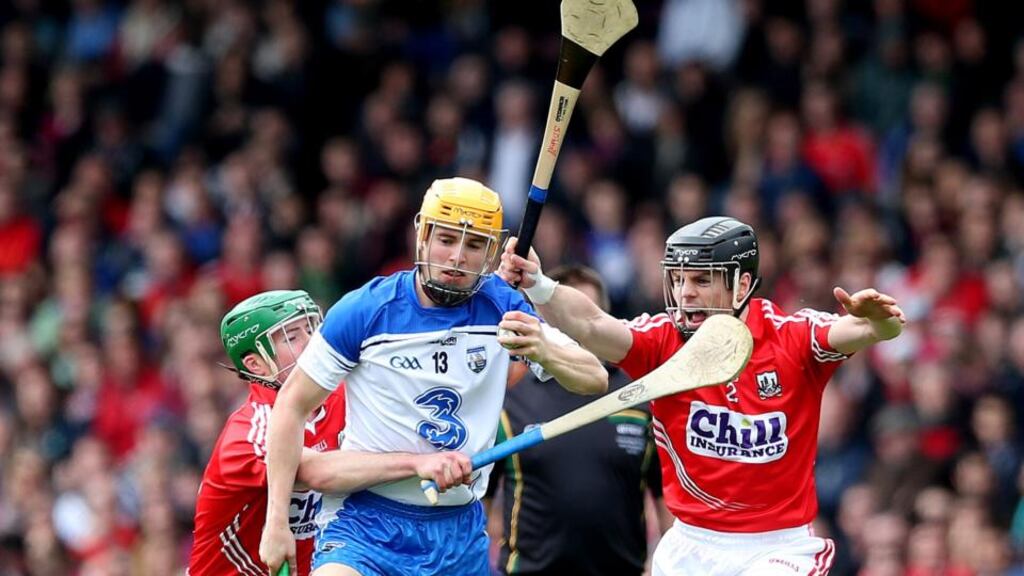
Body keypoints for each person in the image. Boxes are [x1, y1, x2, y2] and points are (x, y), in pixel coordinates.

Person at [498, 216, 906, 575]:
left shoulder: (792, 337)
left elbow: (867, 329)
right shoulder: (662, 340)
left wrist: (878, 321)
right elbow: (590, 324)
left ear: (741, 284)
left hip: (778, 549)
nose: (685, 293)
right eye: (678, 279)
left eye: (701, 280)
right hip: (690, 545)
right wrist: (539, 283)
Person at [259, 177, 608, 576]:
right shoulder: (365, 310)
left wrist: (544, 350)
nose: (457, 257)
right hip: (366, 524)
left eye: (474, 245)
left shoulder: (504, 308)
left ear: (490, 253)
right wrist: (277, 521)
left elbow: (594, 377)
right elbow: (290, 406)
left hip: (458, 533)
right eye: (446, 239)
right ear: (422, 236)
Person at [190, 290, 474, 576]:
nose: (313, 341)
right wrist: (417, 463)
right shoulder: (247, 434)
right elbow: (317, 472)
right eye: (292, 337)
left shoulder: (344, 398)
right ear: (257, 365)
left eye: (312, 327)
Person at [486, 264, 672, 576]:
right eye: (562, 318)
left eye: (583, 317)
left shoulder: (639, 398)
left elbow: (666, 496)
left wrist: (663, 564)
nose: (575, 330)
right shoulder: (510, 400)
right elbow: (482, 499)